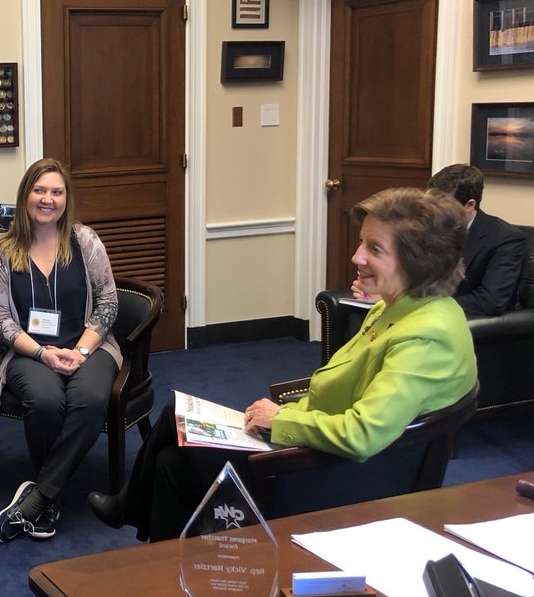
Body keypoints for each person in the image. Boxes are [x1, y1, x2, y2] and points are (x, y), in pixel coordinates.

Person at [90, 187, 477, 541]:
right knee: (175, 435)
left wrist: (281, 420)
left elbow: (362, 435)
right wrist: (286, 416)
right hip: (319, 445)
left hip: (339, 476)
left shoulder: (426, 337)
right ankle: (151, 545)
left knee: (175, 452)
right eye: (362, 242)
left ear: (418, 262)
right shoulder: (397, 308)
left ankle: (141, 531)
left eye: (374, 249)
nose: (356, 257)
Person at [0, 158, 120, 543]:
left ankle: (41, 496)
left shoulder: (85, 240)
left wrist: (82, 351)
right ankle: (48, 497)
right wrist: (43, 354)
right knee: (44, 401)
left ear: (66, 198)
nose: (48, 199)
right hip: (29, 352)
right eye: (40, 190)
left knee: (91, 399)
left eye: (57, 192)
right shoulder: (3, 251)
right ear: (25, 195)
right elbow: (0, 319)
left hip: (89, 346)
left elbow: (108, 302)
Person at [353, 164, 527, 318]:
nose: (434, 210)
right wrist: (382, 292)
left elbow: (490, 301)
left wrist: (399, 301)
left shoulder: (505, 238)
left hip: (466, 322)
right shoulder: (425, 230)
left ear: (469, 205)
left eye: (443, 203)